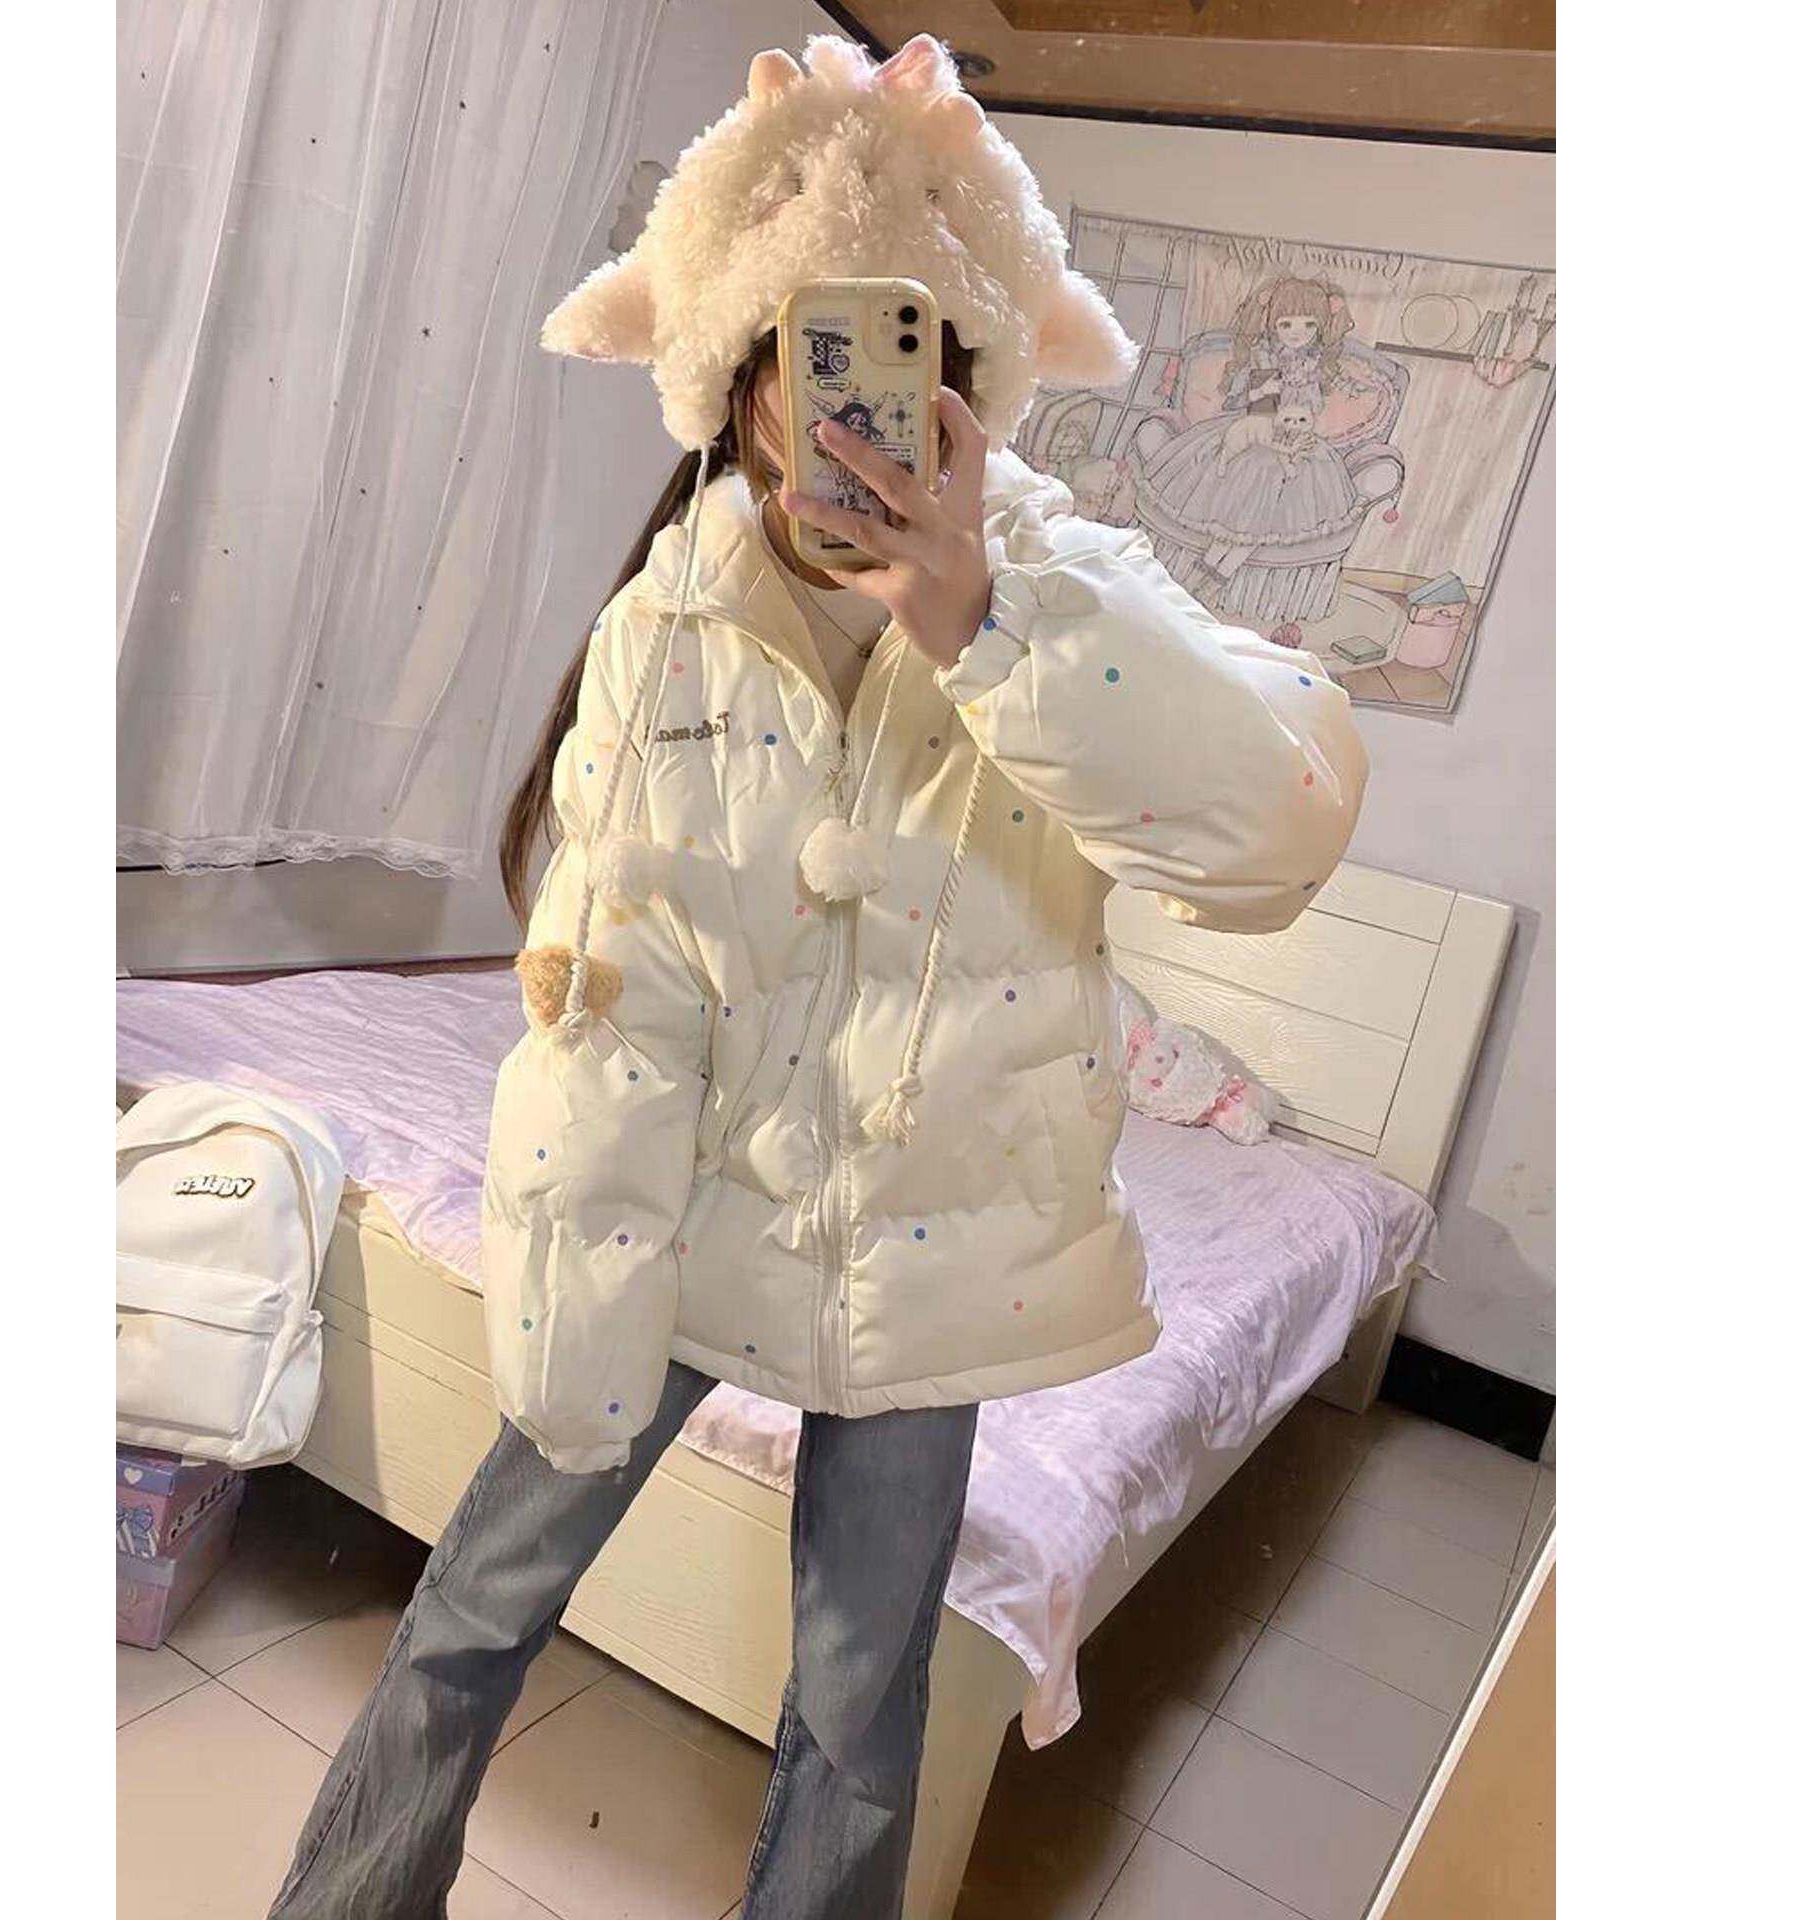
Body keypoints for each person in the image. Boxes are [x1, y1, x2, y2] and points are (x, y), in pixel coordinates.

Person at [269, 32, 1367, 1919]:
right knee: (471, 1610)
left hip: (936, 1261)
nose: (848, 400)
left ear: (970, 377)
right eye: (809, 347)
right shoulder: (669, 620)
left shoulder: (1069, 581)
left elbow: (1276, 827)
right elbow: (608, 989)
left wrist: (985, 615)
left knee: (862, 1712)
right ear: (739, 373)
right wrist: (572, 1314)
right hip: (679, 1215)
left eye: (903, 347)